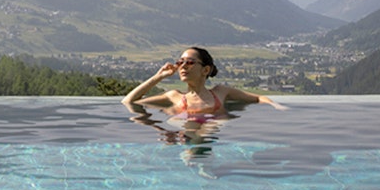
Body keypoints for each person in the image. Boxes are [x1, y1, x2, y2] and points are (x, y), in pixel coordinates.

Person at [121, 46, 286, 120]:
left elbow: (259, 98)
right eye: (180, 62)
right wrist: (158, 76)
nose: (183, 66)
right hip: (186, 135)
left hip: (210, 134)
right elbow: (128, 102)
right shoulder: (174, 96)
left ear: (205, 70)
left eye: (190, 62)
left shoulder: (221, 92)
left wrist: (277, 106)